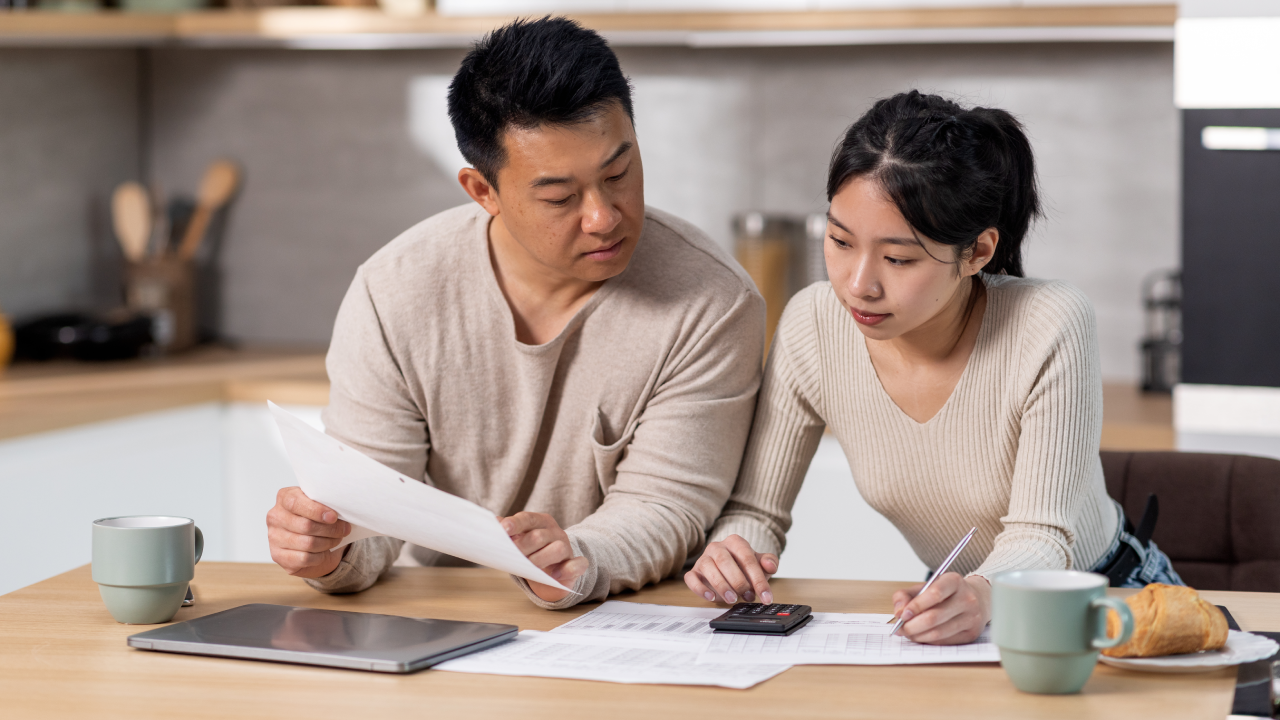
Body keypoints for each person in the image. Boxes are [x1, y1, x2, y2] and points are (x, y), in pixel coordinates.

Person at [265, 17, 764, 609]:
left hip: (629, 619)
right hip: (444, 617)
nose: (604, 216)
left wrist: (577, 558)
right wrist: (330, 546)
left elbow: (668, 505)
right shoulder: (393, 291)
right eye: (560, 197)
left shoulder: (712, 300)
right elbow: (373, 509)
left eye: (619, 173)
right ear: (483, 192)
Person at [685, 91, 1183, 644]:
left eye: (898, 259)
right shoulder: (812, 325)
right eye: (839, 241)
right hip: (960, 600)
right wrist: (735, 551)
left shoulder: (1049, 323)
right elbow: (756, 508)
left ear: (976, 253)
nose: (858, 284)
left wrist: (981, 594)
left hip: (1104, 594)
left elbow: (1044, 536)